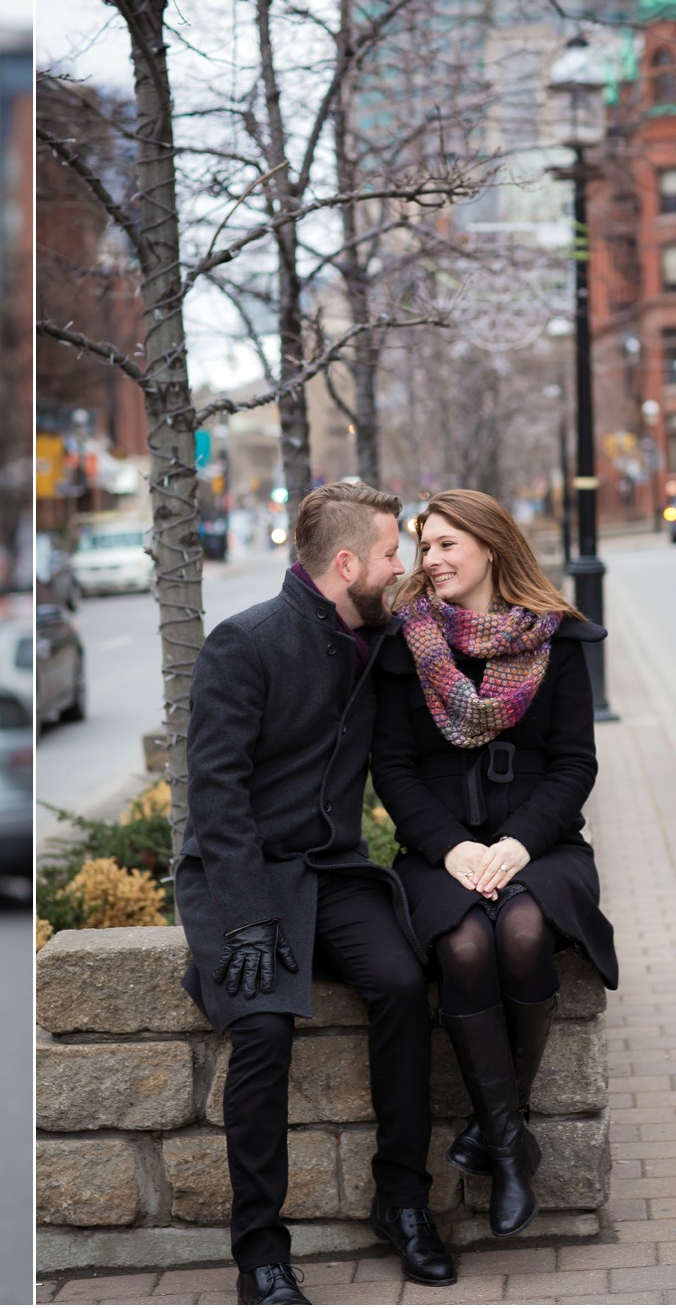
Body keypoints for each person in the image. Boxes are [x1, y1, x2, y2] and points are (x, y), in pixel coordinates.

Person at [174, 481, 457, 1302]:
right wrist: (248, 919)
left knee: (404, 985)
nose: (401, 565)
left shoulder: (382, 639)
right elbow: (216, 797)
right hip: (243, 876)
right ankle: (259, 1252)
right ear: (345, 563)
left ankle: (402, 1201)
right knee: (261, 1028)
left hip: (334, 871)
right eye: (390, 552)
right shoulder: (245, 642)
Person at [371, 489, 619, 1242]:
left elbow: (576, 762)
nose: (432, 559)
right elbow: (394, 767)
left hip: (540, 846)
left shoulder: (560, 639)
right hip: (437, 850)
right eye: (423, 546)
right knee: (466, 943)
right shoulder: (403, 642)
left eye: (447, 543)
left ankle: (498, 1135)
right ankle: (511, 1144)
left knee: (519, 928)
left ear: (489, 545)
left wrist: (518, 845)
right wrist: (454, 846)